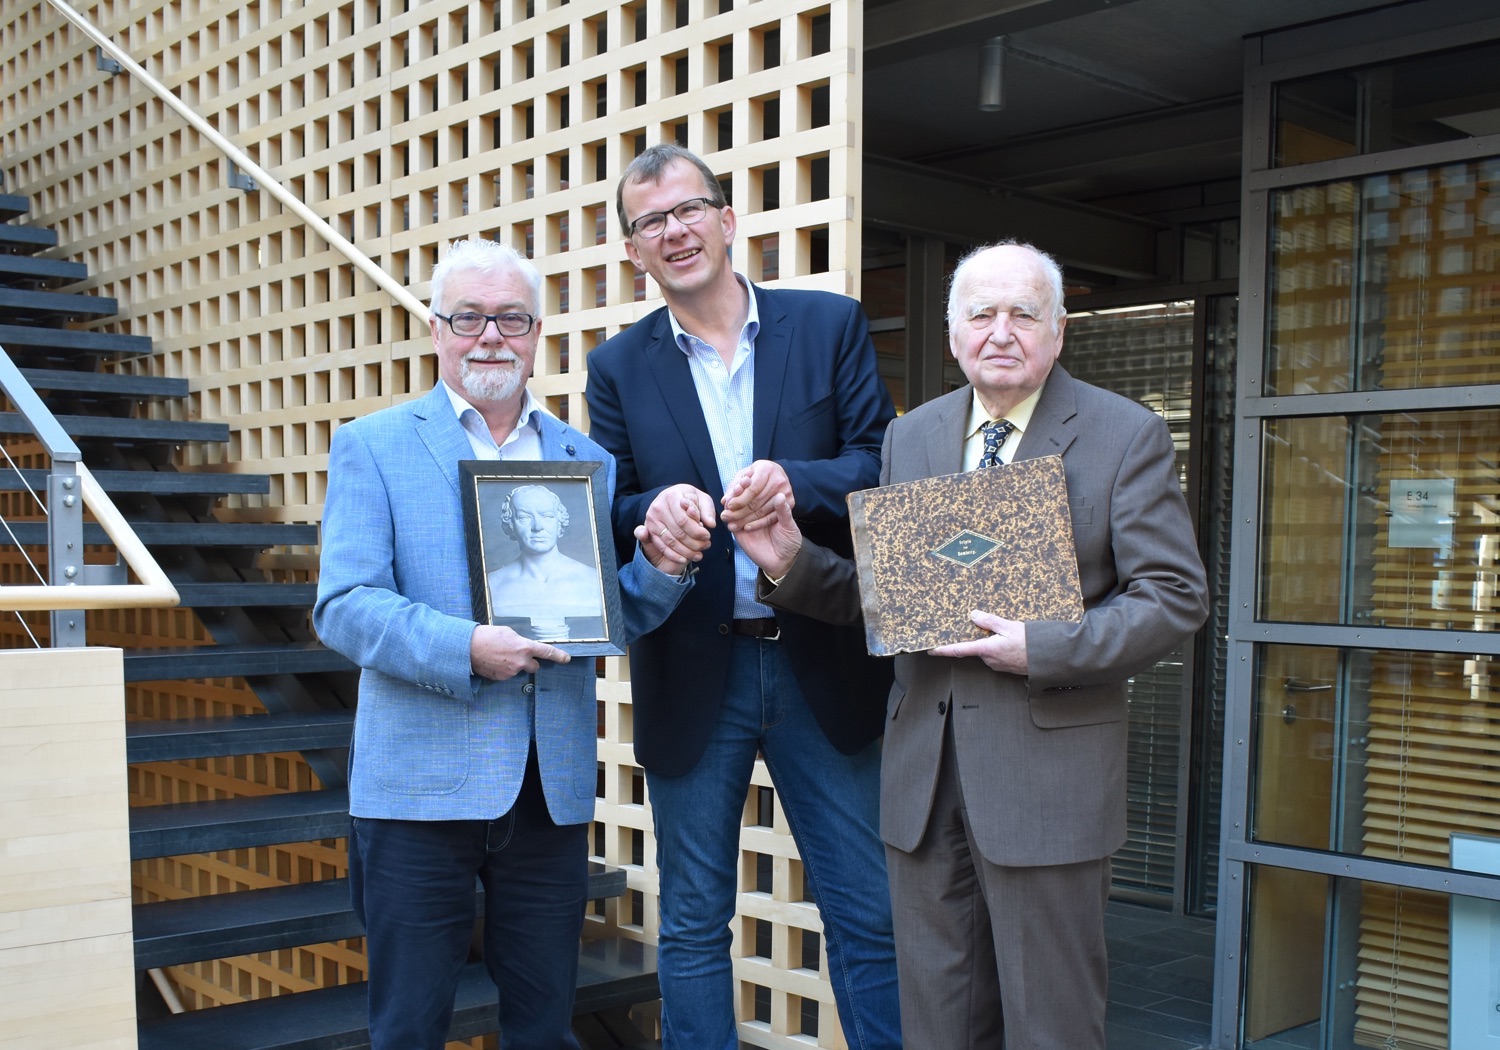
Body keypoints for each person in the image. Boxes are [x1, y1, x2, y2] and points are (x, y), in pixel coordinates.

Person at [730, 242, 1210, 1050]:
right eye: (980, 314)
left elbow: (1175, 597)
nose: (1001, 331)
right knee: (938, 1024)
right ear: (953, 335)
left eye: (1023, 313)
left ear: (1057, 332)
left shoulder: (1123, 434)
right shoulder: (912, 437)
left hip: (1047, 786)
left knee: (1049, 1025)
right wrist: (790, 563)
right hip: (924, 781)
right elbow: (894, 601)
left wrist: (1049, 646)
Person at [313, 238, 706, 1050]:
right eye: (469, 317)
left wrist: (660, 571)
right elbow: (344, 606)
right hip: (417, 794)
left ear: (536, 333)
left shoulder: (583, 459)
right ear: (436, 329)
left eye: (512, 319)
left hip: (546, 792)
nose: (491, 335)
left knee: (543, 1027)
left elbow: (601, 620)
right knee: (408, 1027)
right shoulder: (374, 444)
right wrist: (466, 648)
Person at [584, 143, 902, 1050]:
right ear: (634, 254)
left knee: (869, 915)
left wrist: (790, 482)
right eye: (651, 222)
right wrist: (659, 509)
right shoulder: (617, 368)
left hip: (820, 661)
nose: (675, 231)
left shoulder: (830, 323)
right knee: (690, 927)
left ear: (728, 220)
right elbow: (612, 501)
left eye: (690, 210)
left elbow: (878, 465)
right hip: (694, 669)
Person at [487, 484, 602, 639]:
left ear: (559, 521)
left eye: (547, 516)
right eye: (524, 517)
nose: (538, 527)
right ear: (511, 524)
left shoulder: (593, 580)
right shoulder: (493, 584)